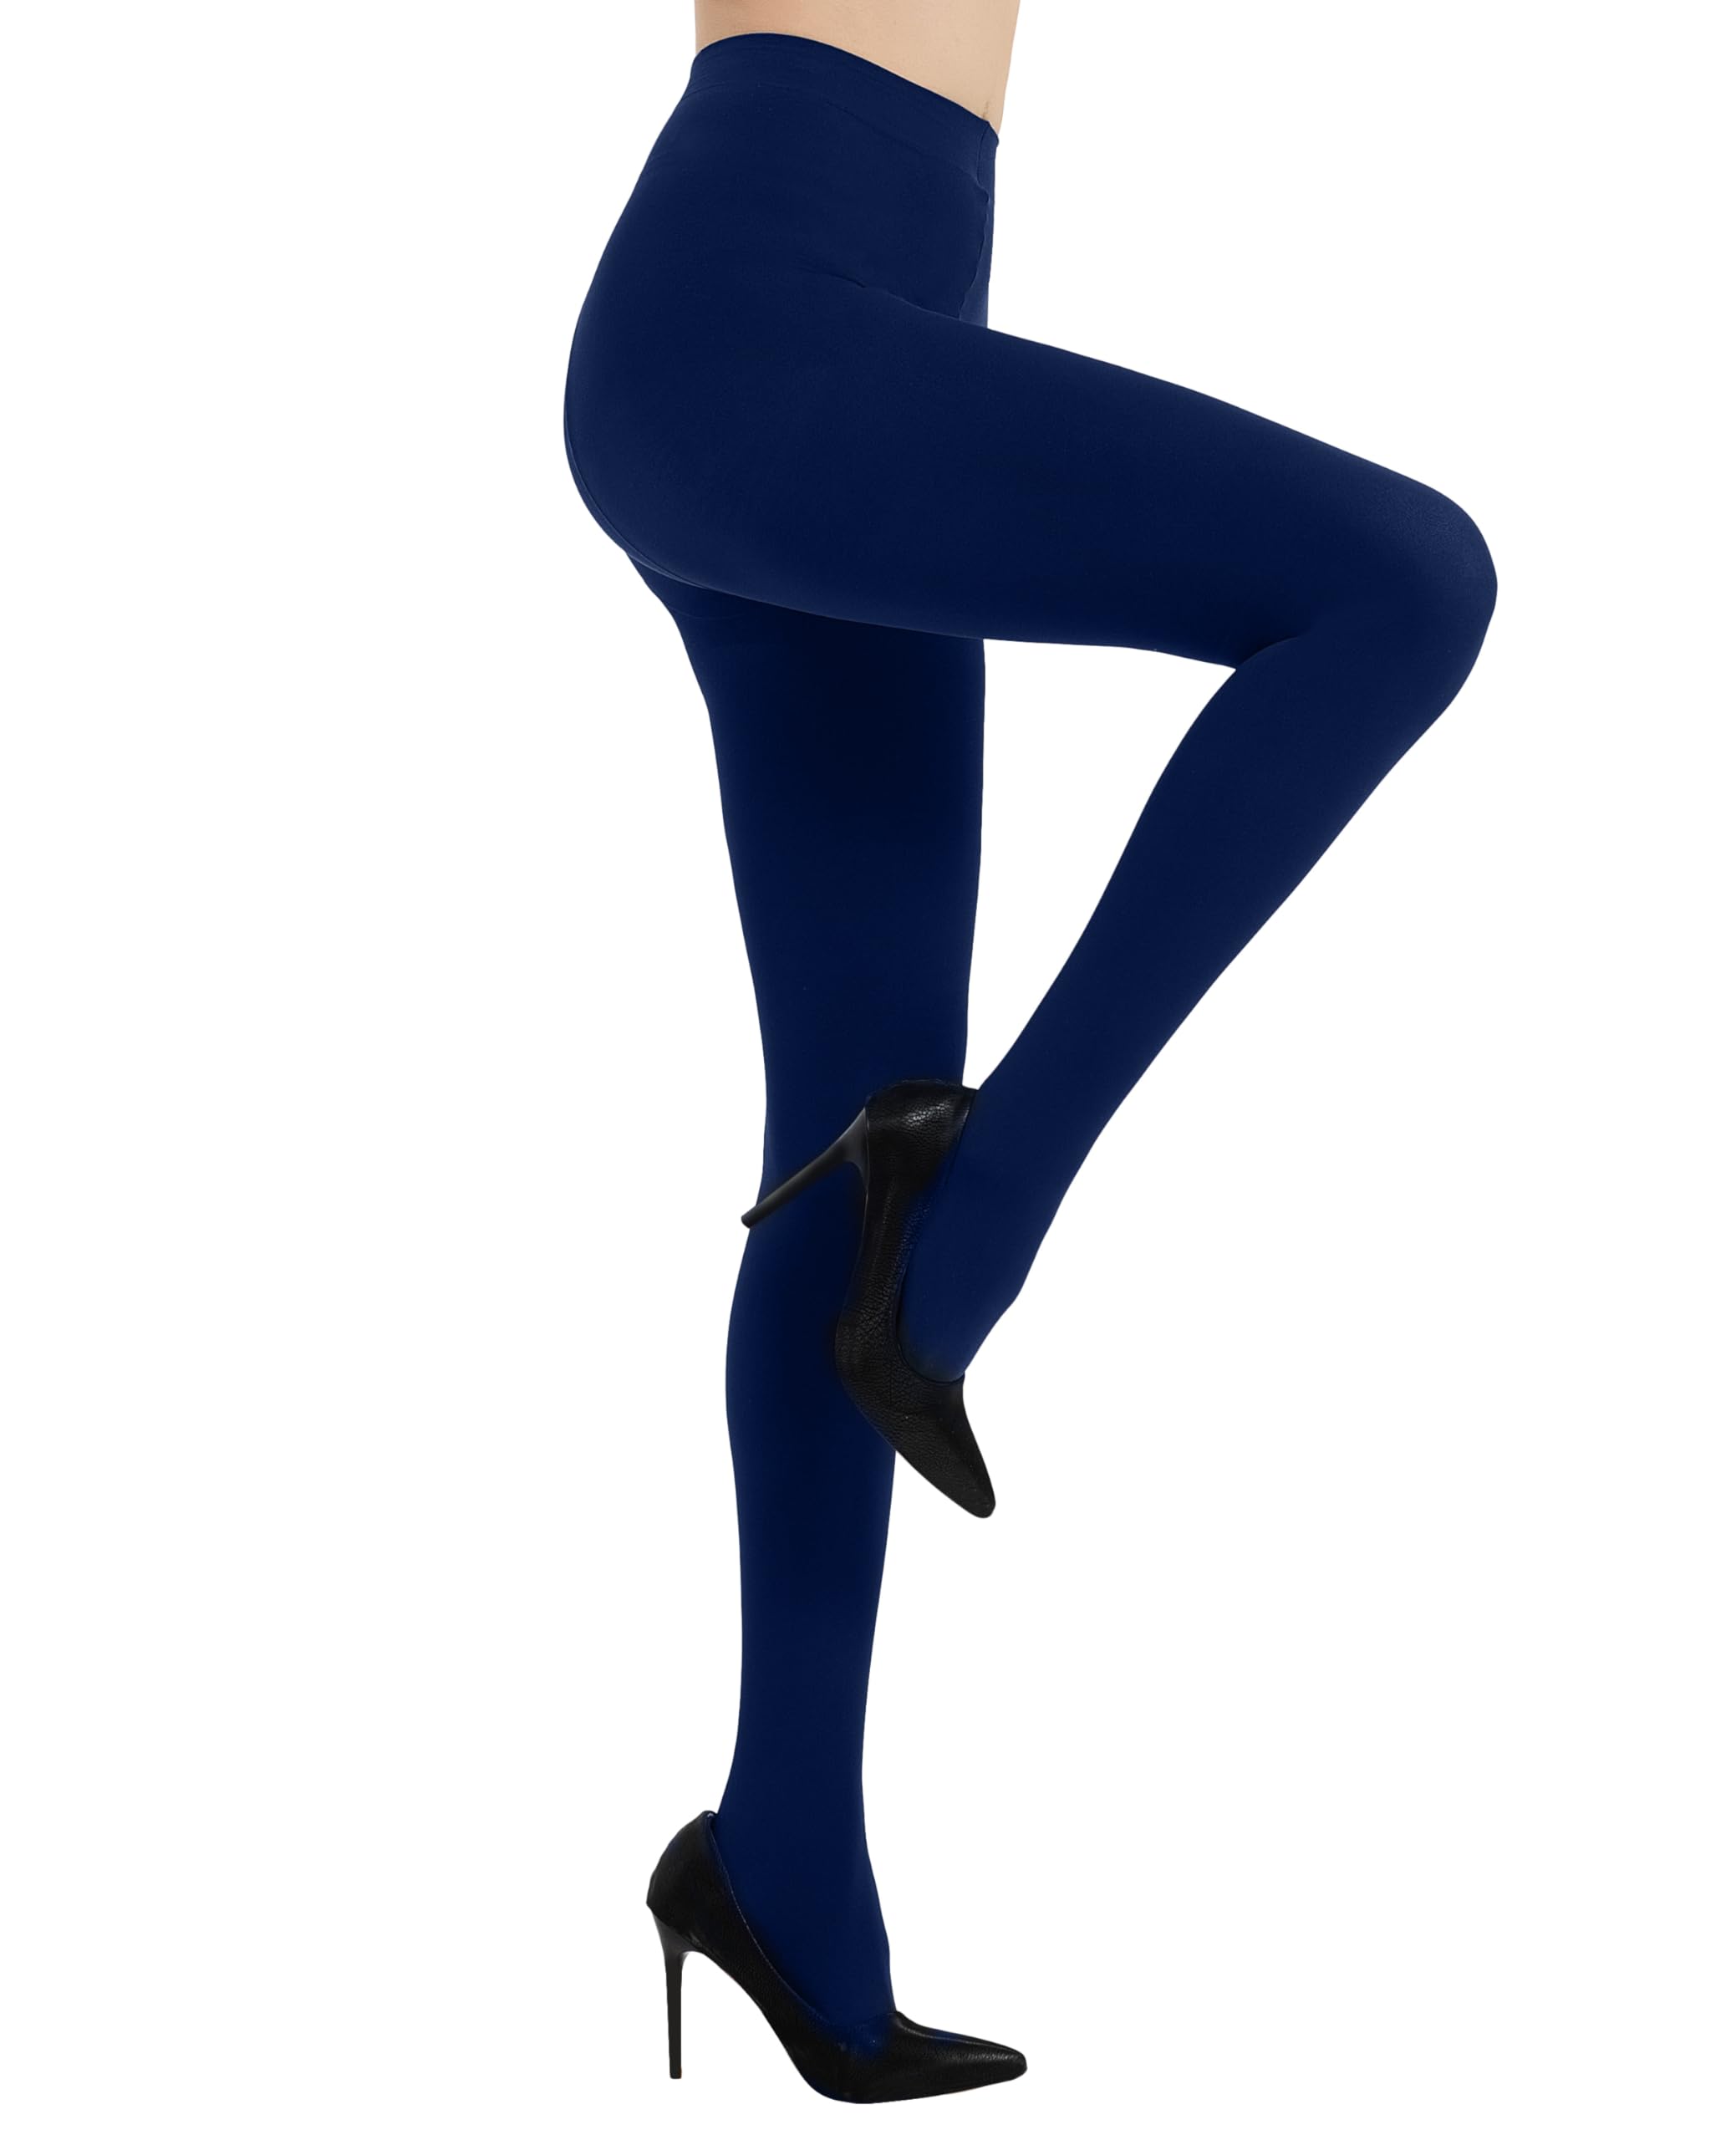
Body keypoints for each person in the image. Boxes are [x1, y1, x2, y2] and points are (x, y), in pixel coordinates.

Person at [564, 3, 1496, 2102]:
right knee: (1400, 582)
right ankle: (972, 1222)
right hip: (753, 331)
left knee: (848, 1115)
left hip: (835, 320)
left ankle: (782, 1862)